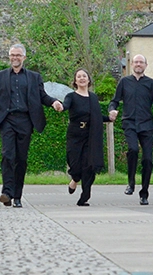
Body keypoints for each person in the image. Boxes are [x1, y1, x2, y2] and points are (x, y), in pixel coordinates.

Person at [0, 43, 64, 208]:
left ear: (24, 58)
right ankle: (7, 192)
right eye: (12, 55)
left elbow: (43, 96)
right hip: (7, 120)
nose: (15, 58)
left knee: (21, 159)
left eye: (18, 55)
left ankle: (17, 196)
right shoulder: (0, 76)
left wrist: (55, 102)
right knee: (7, 155)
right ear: (9, 57)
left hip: (25, 121)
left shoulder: (34, 77)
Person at [108, 54, 153, 205]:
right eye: (136, 62)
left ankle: (144, 193)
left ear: (145, 65)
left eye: (141, 62)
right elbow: (114, 101)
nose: (138, 64)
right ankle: (131, 182)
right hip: (129, 123)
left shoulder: (151, 83)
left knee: (148, 160)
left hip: (146, 125)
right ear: (132, 65)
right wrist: (112, 110)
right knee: (133, 150)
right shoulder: (124, 82)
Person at [65, 69, 110, 206]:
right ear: (75, 81)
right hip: (75, 134)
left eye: (84, 76)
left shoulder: (93, 98)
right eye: (78, 76)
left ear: (89, 80)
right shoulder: (71, 96)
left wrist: (109, 118)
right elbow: (65, 106)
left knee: (89, 166)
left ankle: (85, 196)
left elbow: (96, 117)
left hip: (90, 136)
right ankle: (75, 179)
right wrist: (60, 106)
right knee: (75, 165)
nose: (82, 78)